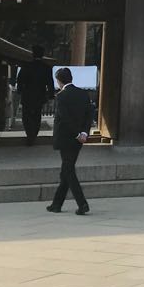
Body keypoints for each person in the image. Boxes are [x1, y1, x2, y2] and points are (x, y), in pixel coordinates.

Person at [46, 67, 92, 215]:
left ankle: (82, 203)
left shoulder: (61, 96)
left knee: (68, 170)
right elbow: (89, 115)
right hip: (78, 140)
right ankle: (56, 204)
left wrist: (76, 133)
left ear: (58, 81)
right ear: (71, 78)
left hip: (66, 138)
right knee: (66, 170)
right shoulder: (83, 94)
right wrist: (84, 132)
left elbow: (64, 119)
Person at [16, 46, 54, 145]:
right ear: (42, 55)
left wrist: (19, 91)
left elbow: (19, 80)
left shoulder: (26, 66)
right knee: (37, 115)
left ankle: (29, 134)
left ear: (32, 54)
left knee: (27, 115)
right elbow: (50, 83)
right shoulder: (46, 68)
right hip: (40, 94)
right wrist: (51, 96)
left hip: (27, 94)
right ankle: (34, 134)